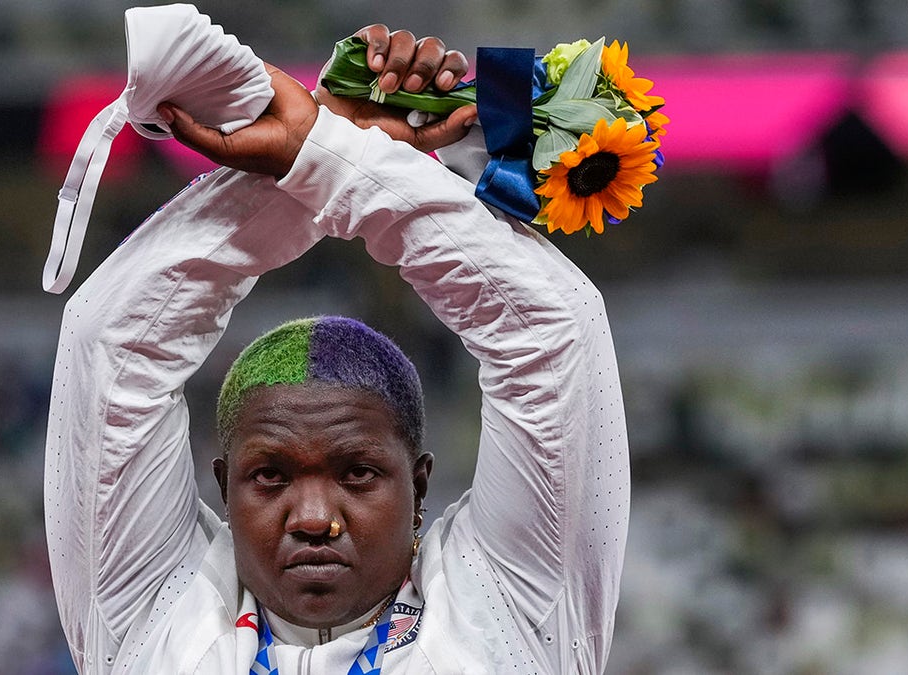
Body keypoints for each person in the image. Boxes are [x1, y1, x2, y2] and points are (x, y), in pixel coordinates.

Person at [44, 25, 630, 674]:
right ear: (223, 486)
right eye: (269, 476)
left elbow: (551, 331)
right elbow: (114, 343)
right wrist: (329, 151)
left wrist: (321, 154)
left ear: (420, 483)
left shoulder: (513, 602)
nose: (315, 518)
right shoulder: (152, 609)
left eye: (357, 473)